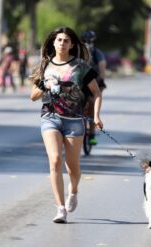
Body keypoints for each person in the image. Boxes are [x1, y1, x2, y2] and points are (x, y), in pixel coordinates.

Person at [29, 27, 103, 223]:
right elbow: (33, 96)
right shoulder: (45, 66)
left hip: (74, 121)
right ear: (53, 42)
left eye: (66, 41)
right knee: (54, 161)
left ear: (72, 45)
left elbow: (96, 92)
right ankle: (60, 208)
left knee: (73, 168)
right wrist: (44, 84)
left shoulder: (80, 67)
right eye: (59, 40)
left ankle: (74, 190)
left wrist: (96, 116)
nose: (62, 43)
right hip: (50, 117)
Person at [81, 30, 106, 145]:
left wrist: (100, 81)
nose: (87, 43)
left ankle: (91, 133)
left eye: (89, 41)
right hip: (80, 82)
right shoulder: (78, 52)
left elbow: (102, 68)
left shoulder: (97, 53)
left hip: (94, 81)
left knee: (92, 104)